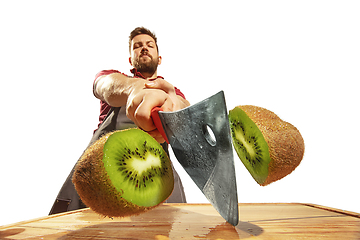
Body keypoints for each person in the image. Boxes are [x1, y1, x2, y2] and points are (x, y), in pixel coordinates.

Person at [49, 27, 190, 215]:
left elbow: (185, 108)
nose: (144, 48)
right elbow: (104, 86)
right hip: (98, 175)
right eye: (137, 46)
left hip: (155, 177)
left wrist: (174, 106)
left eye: (150, 45)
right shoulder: (114, 77)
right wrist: (135, 89)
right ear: (131, 60)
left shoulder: (172, 91)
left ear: (160, 58)